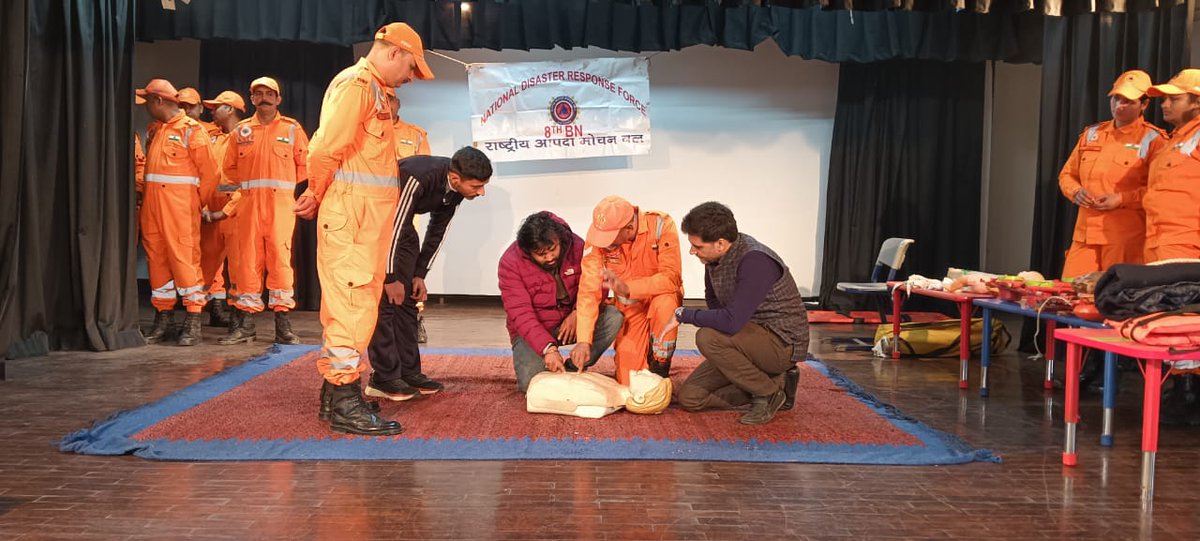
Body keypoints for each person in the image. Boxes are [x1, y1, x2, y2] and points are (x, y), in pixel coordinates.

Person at [298, 22, 434, 436]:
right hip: (353, 219)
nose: (411, 78)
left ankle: (333, 395)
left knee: (357, 307)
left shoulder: (377, 91)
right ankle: (344, 401)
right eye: (412, 68)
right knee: (352, 309)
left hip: (367, 222)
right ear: (394, 52)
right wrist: (316, 190)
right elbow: (324, 147)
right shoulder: (357, 86)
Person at [364, 148, 493, 401]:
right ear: (456, 179)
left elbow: (438, 229)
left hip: (400, 230)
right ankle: (384, 377)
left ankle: (408, 371)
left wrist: (419, 274)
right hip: (375, 226)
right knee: (387, 303)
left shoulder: (454, 191)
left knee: (409, 301)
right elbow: (393, 226)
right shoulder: (418, 177)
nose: (481, 192)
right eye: (477, 186)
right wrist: (390, 277)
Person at [665, 202, 809, 425]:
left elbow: (730, 322)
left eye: (698, 246)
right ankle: (777, 383)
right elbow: (715, 306)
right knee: (690, 398)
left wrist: (684, 314)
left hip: (781, 343)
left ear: (721, 243)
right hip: (746, 341)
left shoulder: (755, 260)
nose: (692, 251)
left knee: (707, 337)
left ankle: (768, 393)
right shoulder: (714, 259)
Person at [220, 77, 309, 345]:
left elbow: (305, 165)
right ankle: (246, 325)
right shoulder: (241, 132)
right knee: (248, 262)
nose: (264, 98)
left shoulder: (292, 129)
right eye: (258, 94)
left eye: (269, 93)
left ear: (278, 99)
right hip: (248, 207)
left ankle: (283, 325)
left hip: (280, 206)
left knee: (280, 262)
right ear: (251, 99)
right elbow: (229, 169)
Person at [498, 211, 623, 393]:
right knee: (532, 386)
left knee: (613, 317)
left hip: (572, 320)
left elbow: (597, 286)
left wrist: (577, 314)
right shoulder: (510, 263)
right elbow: (520, 314)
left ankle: (574, 366)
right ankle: (548, 360)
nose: (549, 258)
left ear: (560, 240)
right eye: (541, 254)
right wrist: (548, 349)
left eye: (552, 249)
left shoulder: (578, 246)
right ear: (527, 251)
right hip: (535, 328)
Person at [1058, 70, 1166, 278]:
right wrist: (1076, 191)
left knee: (1115, 301)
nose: (1119, 106)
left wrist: (1122, 198)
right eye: (1116, 98)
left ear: (1144, 105)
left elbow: (1160, 191)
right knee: (1070, 294)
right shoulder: (1092, 134)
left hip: (1123, 238)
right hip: (1085, 235)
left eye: (1128, 101)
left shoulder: (1154, 140)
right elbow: (1066, 175)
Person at [136, 79, 221, 346]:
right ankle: (163, 318)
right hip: (153, 207)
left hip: (180, 209)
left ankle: (193, 319)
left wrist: (195, 203)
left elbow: (210, 174)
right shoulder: (157, 130)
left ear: (159, 101)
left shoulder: (192, 131)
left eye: (148, 101)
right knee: (157, 260)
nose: (146, 106)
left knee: (185, 260)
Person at [572, 196, 683, 385]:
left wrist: (628, 288)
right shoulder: (598, 239)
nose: (604, 244)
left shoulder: (661, 224)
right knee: (629, 383)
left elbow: (671, 278)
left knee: (665, 304)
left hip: (660, 301)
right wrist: (583, 340)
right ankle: (643, 357)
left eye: (611, 241)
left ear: (630, 228)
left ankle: (659, 366)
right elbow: (588, 291)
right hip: (631, 309)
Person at [197, 90, 246, 328]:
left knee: (239, 268)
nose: (212, 111)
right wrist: (205, 205)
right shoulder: (214, 138)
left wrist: (225, 211)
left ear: (230, 109)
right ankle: (194, 317)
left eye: (217, 107)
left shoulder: (247, 136)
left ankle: (239, 323)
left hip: (236, 212)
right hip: (212, 210)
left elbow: (248, 184)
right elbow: (208, 175)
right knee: (204, 266)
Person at [1144, 68, 1200, 262]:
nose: (1164, 105)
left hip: (1186, 244)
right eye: (1164, 99)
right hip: (1157, 241)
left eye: (1174, 99)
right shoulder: (1173, 140)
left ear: (1197, 102)